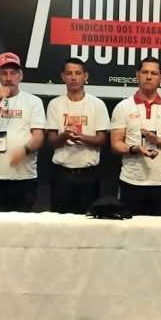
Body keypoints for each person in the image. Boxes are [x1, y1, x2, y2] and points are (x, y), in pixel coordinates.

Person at [109, 57, 161, 216]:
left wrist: (159, 140)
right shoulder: (123, 107)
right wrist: (134, 149)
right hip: (132, 181)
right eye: (145, 72)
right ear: (137, 75)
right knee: (131, 230)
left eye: (154, 73)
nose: (149, 77)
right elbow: (115, 144)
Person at [0, 52, 45, 212]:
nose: (8, 78)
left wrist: (24, 150)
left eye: (13, 73)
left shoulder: (33, 101)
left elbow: (39, 137)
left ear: (20, 76)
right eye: (4, 73)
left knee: (23, 225)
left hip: (24, 177)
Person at [45, 57, 109, 214]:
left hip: (89, 174)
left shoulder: (97, 104)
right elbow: (51, 141)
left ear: (85, 76)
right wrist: (64, 136)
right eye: (69, 73)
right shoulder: (55, 104)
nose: (73, 77)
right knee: (59, 221)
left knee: (88, 221)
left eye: (78, 73)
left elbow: (102, 139)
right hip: (62, 174)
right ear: (63, 77)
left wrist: (81, 137)